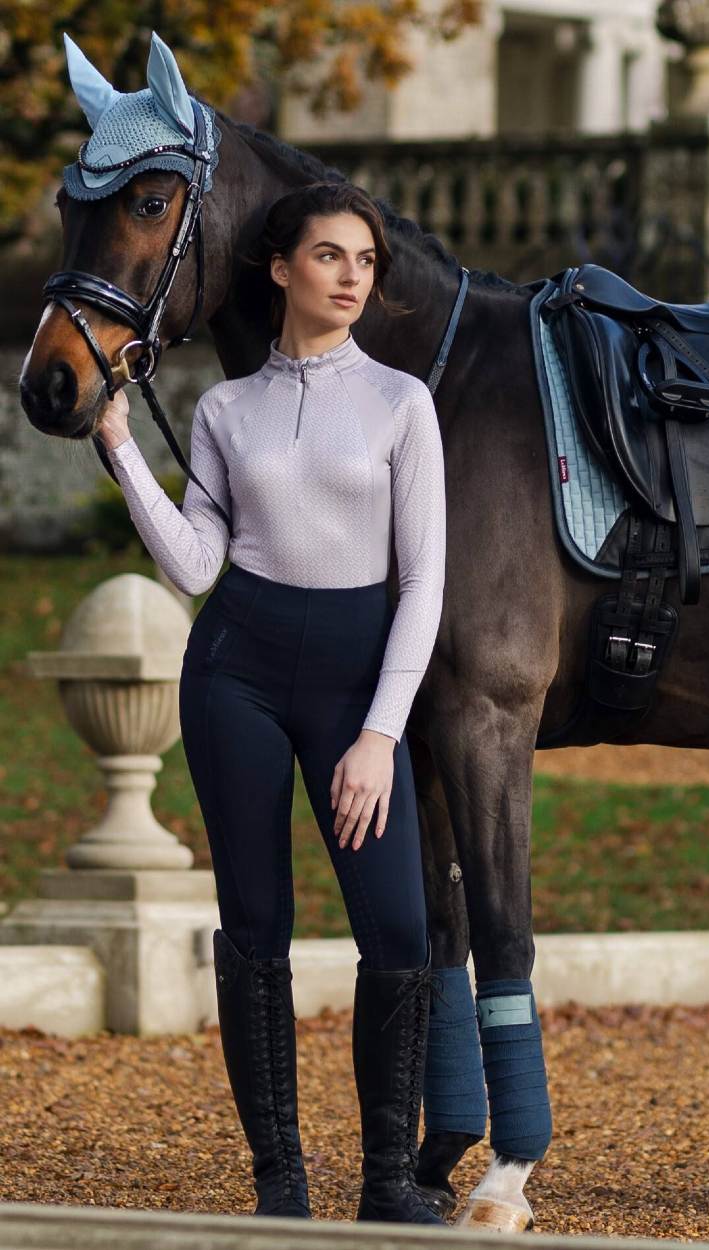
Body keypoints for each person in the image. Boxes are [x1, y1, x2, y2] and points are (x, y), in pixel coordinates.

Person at [98, 180, 447, 1225]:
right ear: (281, 267)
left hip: (356, 681)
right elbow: (196, 563)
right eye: (331, 256)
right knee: (256, 926)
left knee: (396, 926)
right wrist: (121, 446)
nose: (351, 277)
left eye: (365, 262)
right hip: (236, 670)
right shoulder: (225, 408)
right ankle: (279, 1183)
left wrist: (380, 734)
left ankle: (387, 1180)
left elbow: (423, 580)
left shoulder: (399, 402)